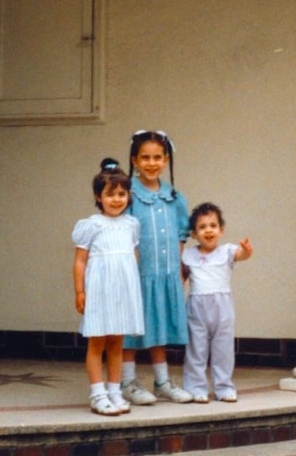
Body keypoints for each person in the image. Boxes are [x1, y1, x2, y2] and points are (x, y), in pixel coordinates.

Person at [121, 130, 193, 405]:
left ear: (166, 160)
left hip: (165, 275)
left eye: (157, 157)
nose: (152, 163)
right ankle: (127, 382)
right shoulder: (128, 194)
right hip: (137, 276)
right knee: (132, 330)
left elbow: (180, 236)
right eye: (145, 157)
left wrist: (178, 270)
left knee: (159, 327)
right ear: (134, 160)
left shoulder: (174, 196)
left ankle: (162, 381)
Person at [72, 158, 145, 416]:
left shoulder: (131, 224)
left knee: (117, 343)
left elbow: (132, 257)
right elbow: (80, 261)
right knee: (97, 343)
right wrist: (80, 291)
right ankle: (98, 394)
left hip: (122, 291)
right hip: (100, 291)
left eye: (122, 194)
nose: (116, 199)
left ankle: (115, 391)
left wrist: (132, 290)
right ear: (98, 196)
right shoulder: (91, 225)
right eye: (110, 194)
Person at [181, 202, 253, 403]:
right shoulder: (188, 255)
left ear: (221, 230)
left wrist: (246, 251)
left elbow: (242, 255)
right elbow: (181, 277)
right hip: (197, 308)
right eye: (202, 227)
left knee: (223, 349)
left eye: (213, 226)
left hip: (222, 307)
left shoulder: (227, 252)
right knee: (197, 348)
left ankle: (224, 387)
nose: (208, 231)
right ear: (194, 234)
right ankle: (195, 387)